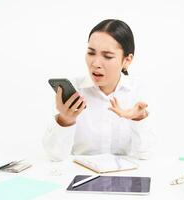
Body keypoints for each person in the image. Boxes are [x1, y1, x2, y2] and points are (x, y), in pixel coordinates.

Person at [43, 19, 155, 161]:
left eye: (107, 56)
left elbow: (145, 155)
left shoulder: (137, 91)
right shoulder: (74, 90)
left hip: (124, 177)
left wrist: (139, 118)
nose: (95, 63)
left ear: (127, 60)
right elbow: (55, 157)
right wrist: (65, 120)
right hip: (80, 175)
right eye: (91, 53)